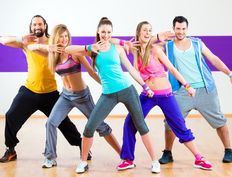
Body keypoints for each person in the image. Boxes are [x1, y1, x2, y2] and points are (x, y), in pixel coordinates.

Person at [64, 17, 160, 174]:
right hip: (108, 95)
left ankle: (155, 161)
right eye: (103, 32)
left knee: (141, 126)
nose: (106, 35)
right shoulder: (92, 50)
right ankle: (83, 162)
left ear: (112, 33)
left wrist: (144, 85)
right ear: (98, 32)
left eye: (109, 32)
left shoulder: (118, 48)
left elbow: (130, 69)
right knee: (89, 128)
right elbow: (68, 49)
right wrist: (89, 46)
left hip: (127, 90)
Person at [117, 21, 213, 171]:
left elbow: (172, 69)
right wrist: (126, 44)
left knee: (179, 126)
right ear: (138, 33)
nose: (147, 33)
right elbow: (117, 47)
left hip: (165, 94)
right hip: (147, 94)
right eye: (144, 30)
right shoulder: (135, 51)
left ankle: (198, 158)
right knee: (130, 122)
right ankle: (128, 159)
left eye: (150, 30)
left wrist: (187, 86)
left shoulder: (156, 50)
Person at [27, 24, 121, 168]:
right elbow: (31, 47)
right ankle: (50, 157)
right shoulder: (52, 54)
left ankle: (123, 154)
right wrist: (48, 47)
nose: (64, 39)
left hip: (82, 96)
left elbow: (91, 72)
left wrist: (106, 85)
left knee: (100, 126)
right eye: (61, 36)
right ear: (56, 38)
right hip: (66, 96)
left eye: (66, 36)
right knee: (50, 123)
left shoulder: (75, 53)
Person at [0, 15, 83, 163]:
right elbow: (3, 40)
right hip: (29, 90)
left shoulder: (53, 41)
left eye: (40, 24)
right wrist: (21, 38)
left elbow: (65, 47)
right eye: (34, 25)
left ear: (45, 26)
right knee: (11, 115)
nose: (37, 26)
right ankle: (10, 149)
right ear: (31, 27)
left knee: (64, 122)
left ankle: (82, 145)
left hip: (50, 93)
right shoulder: (26, 42)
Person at [159, 16, 232, 164]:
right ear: (173, 28)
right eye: (178, 28)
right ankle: (168, 153)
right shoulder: (167, 46)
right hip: (182, 91)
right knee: (170, 122)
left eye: (183, 29)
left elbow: (213, 59)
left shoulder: (196, 43)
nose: (180, 31)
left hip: (205, 90)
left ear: (187, 29)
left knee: (219, 121)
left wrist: (230, 74)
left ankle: (228, 150)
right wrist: (158, 36)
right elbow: (149, 47)